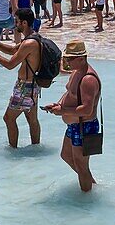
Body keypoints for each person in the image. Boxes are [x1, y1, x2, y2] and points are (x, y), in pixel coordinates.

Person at [42, 39, 101, 192]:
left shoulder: (88, 79)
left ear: (81, 59)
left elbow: (87, 110)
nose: (66, 61)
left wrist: (63, 111)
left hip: (85, 126)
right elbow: (70, 94)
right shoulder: (76, 72)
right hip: (74, 125)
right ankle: (90, 183)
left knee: (81, 165)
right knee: (66, 155)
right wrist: (58, 104)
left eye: (70, 58)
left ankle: (87, 199)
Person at [0, 8, 42, 148]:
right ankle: (35, 148)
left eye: (16, 21)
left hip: (25, 87)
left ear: (24, 23)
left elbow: (10, 64)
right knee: (32, 119)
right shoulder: (33, 38)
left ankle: (13, 151)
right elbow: (12, 50)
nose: (14, 24)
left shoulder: (29, 43)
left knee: (8, 118)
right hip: (33, 85)